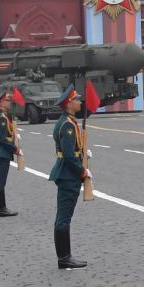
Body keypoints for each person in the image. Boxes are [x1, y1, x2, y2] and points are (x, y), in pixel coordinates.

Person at [47, 88, 89, 270]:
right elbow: (69, 155)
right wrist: (82, 171)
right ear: (69, 103)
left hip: (66, 173)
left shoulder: (67, 121)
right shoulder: (68, 125)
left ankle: (65, 256)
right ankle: (64, 257)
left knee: (64, 216)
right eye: (77, 100)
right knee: (64, 217)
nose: (80, 102)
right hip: (68, 174)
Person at [0, 91, 21, 218]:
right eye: (7, 101)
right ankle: (1, 208)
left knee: (1, 181)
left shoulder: (1, 116)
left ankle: (1, 208)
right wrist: (15, 149)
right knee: (1, 181)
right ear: (1, 103)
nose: (9, 102)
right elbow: (2, 139)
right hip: (3, 152)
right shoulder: (2, 118)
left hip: (2, 151)